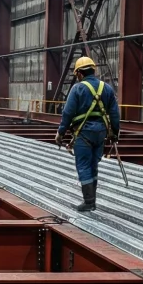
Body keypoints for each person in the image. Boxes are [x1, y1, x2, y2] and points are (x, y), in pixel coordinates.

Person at [54, 57, 121, 213]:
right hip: (101, 134)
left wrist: (60, 133)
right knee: (93, 166)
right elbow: (115, 114)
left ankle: (89, 202)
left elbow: (68, 113)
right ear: (93, 70)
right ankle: (92, 200)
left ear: (79, 73)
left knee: (84, 166)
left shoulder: (77, 89)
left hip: (83, 134)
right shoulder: (107, 88)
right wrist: (115, 134)